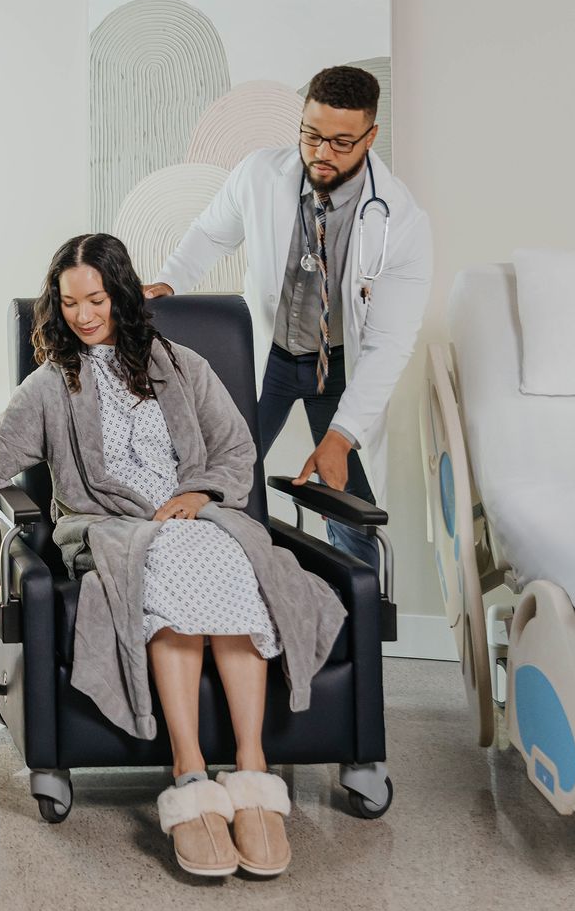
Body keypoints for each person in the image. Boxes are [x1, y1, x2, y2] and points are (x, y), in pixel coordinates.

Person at [0, 234, 345, 879]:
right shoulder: (51, 387)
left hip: (200, 520)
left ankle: (251, 773)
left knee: (232, 563)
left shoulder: (181, 365)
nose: (84, 315)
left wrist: (198, 494)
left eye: (97, 299)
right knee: (172, 565)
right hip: (114, 531)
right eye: (70, 302)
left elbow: (235, 453)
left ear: (122, 294)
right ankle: (190, 775)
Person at [144, 66, 433, 567]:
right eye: (312, 135)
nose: (323, 153)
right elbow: (213, 233)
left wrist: (341, 437)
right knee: (216, 476)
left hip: (341, 367)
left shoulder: (401, 223)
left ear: (371, 136)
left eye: (342, 142)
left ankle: (353, 623)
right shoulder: (260, 174)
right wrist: (171, 281)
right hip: (267, 358)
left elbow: (389, 342)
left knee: (351, 504)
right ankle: (207, 595)